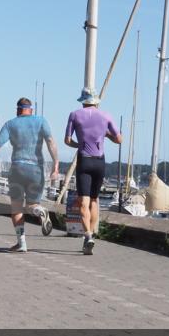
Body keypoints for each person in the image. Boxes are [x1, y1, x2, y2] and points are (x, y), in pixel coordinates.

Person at [0, 97, 59, 252]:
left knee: (16, 207)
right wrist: (56, 164)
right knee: (32, 204)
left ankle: (22, 244)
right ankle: (40, 211)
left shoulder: (11, 124)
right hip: (36, 170)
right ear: (31, 110)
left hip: (17, 169)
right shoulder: (41, 121)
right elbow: (50, 142)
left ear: (17, 110)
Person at [65, 89, 121, 255]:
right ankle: (93, 235)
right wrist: (106, 133)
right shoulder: (106, 115)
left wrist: (80, 145)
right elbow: (119, 139)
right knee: (95, 201)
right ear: (96, 101)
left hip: (84, 160)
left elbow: (67, 140)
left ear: (82, 101)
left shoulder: (74, 115)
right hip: (99, 162)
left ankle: (87, 235)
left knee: (83, 202)